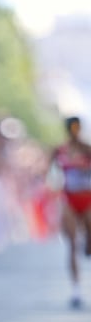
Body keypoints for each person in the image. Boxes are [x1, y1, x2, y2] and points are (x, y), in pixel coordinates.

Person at [52, 116, 91, 308]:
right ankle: (76, 290)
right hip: (69, 198)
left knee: (89, 242)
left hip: (88, 198)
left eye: (77, 128)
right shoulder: (59, 150)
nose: (74, 131)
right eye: (72, 128)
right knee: (72, 243)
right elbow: (51, 174)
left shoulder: (87, 149)